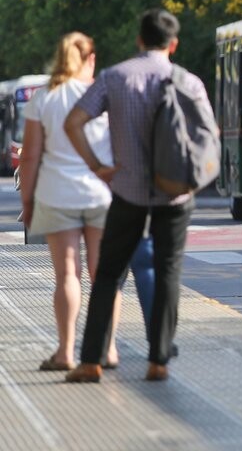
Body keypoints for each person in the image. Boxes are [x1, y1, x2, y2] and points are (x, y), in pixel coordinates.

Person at [62, 8, 207, 383]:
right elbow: (208, 135)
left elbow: (73, 122)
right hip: (175, 195)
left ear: (139, 40)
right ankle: (159, 360)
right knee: (168, 271)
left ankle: (91, 361)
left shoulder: (114, 77)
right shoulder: (188, 82)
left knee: (108, 273)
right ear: (173, 44)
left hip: (126, 193)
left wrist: (97, 166)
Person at [19, 32, 123, 372]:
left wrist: (29, 201)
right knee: (102, 275)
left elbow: (30, 157)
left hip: (56, 194)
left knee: (67, 275)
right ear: (90, 59)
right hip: (100, 194)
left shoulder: (44, 98)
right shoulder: (103, 95)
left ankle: (65, 351)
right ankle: (108, 349)